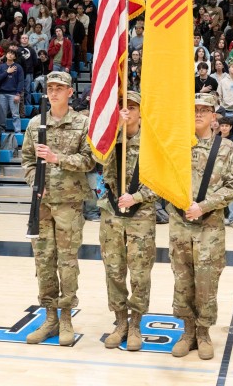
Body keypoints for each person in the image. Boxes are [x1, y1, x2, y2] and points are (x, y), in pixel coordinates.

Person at [20, 71, 95, 347]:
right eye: (50, 88)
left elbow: (90, 160)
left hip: (69, 204)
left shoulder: (82, 123)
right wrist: (34, 181)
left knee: (67, 262)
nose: (54, 92)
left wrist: (57, 159)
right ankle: (49, 317)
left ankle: (66, 318)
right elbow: (27, 159)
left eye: (59, 88)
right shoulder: (34, 124)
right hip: (41, 205)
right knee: (44, 262)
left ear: (70, 92)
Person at [168, 93, 233, 361]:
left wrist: (205, 204)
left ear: (214, 117)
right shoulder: (176, 145)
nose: (198, 113)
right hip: (179, 224)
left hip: (209, 226)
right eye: (194, 109)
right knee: (182, 279)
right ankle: (187, 332)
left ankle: (203, 333)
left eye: (205, 109)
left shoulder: (226, 148)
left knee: (207, 282)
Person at [94, 91, 158, 351]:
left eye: (133, 107)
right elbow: (96, 158)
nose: (128, 111)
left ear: (141, 111)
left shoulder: (153, 142)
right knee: (114, 270)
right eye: (124, 107)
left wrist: (139, 196)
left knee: (140, 273)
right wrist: (113, 132)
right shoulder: (110, 139)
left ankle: (135, 324)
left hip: (141, 215)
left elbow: (163, 181)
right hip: (111, 215)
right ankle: (120, 321)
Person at [0, 50, 25, 134]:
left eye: (12, 54)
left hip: (13, 93)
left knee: (15, 114)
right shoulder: (1, 67)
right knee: (2, 114)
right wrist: (7, 72)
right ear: (6, 55)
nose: (10, 55)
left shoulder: (18, 67)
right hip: (2, 93)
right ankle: (2, 130)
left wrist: (18, 94)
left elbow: (21, 81)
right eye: (9, 53)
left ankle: (18, 131)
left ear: (15, 57)